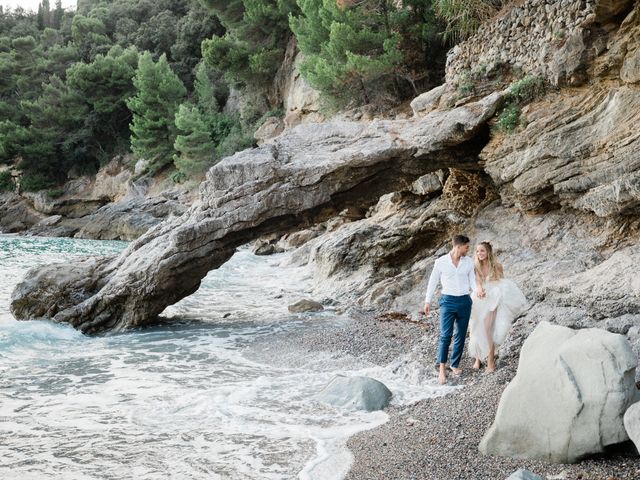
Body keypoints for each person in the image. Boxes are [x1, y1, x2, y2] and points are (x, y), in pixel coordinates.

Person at [424, 234, 476, 385]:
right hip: (447, 301)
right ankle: (442, 368)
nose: (468, 249)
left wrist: (478, 290)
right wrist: (427, 301)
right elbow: (432, 282)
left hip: (465, 301)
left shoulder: (468, 262)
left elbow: (472, 280)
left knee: (461, 334)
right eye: (466, 247)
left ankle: (454, 364)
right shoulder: (440, 262)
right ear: (458, 246)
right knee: (445, 335)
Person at [469, 241, 527, 373]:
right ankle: (478, 358)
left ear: (488, 252)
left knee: (488, 329)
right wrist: (480, 290)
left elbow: (501, 282)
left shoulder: (497, 266)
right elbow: (477, 282)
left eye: (482, 251)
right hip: (479, 297)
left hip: (493, 297)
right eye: (477, 251)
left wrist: (493, 291)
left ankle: (490, 363)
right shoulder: (475, 266)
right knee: (475, 326)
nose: (479, 254)